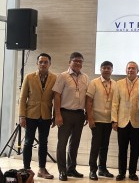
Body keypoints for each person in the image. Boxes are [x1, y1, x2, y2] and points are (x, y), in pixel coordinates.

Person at [18, 53, 56, 179]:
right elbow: (23, 98)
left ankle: (42, 169)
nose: (43, 64)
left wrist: (55, 116)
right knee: (28, 142)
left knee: (43, 143)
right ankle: (26, 168)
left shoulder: (54, 78)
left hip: (45, 115)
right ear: (37, 63)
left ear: (50, 64)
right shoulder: (29, 77)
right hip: (30, 115)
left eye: (46, 62)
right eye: (41, 62)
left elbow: (56, 99)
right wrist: (22, 116)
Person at [53, 52, 89, 181]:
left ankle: (71, 169)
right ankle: (62, 171)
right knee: (62, 144)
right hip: (65, 113)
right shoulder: (63, 76)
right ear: (70, 62)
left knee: (75, 143)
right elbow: (56, 96)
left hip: (79, 114)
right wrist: (57, 114)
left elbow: (86, 97)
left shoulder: (85, 77)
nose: (78, 63)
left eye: (80, 61)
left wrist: (86, 114)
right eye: (75, 61)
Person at [112, 61, 139, 181]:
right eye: (128, 68)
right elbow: (115, 103)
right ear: (126, 70)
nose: (130, 70)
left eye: (133, 68)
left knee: (135, 149)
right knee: (122, 149)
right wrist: (114, 120)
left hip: (137, 122)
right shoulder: (119, 83)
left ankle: (132, 173)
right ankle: (121, 172)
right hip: (122, 121)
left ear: (137, 71)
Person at [86, 61, 117, 180]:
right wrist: (90, 118)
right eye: (104, 68)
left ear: (112, 70)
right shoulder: (94, 83)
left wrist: (115, 120)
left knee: (105, 146)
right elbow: (88, 101)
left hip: (108, 120)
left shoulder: (115, 84)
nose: (106, 70)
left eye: (109, 68)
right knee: (95, 145)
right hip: (97, 120)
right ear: (100, 69)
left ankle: (102, 169)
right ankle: (92, 170)